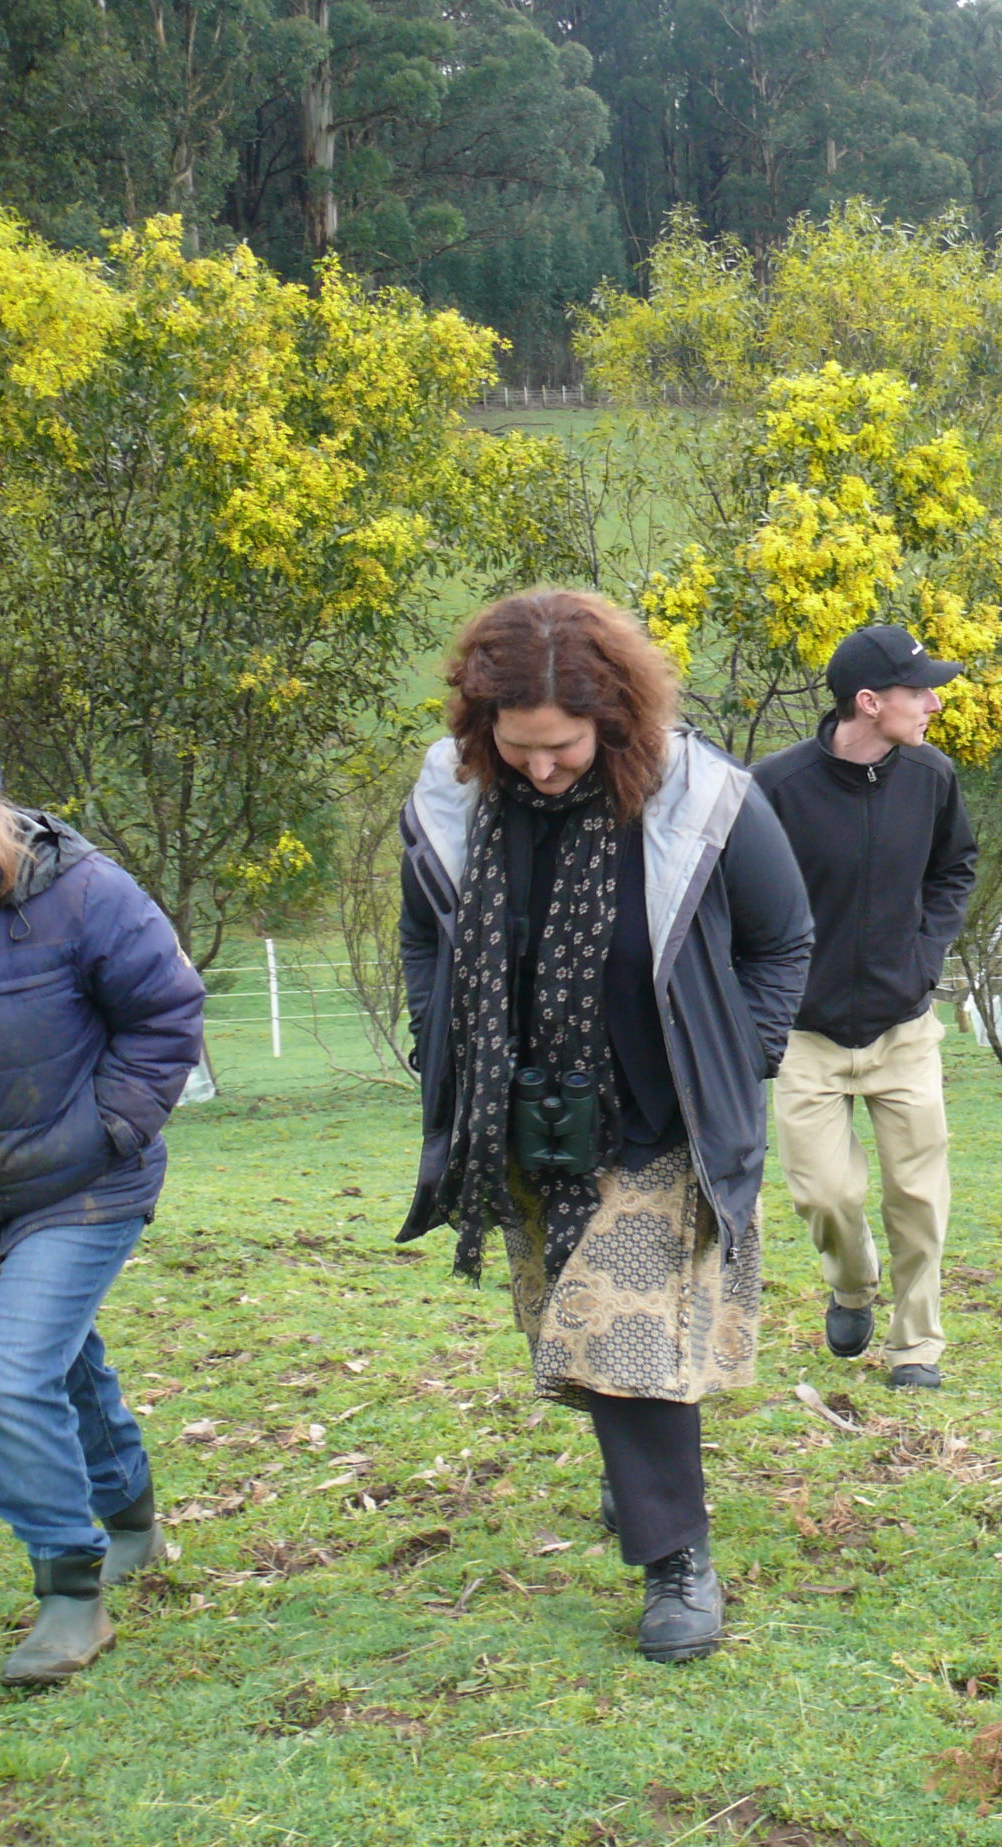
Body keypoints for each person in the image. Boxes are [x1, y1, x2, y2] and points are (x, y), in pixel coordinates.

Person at [400, 591, 813, 1663]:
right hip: (524, 1118)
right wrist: (435, 1038)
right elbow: (423, 937)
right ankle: (640, 1482)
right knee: (574, 1338)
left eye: (565, 746)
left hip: (660, 1115)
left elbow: (782, 940)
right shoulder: (452, 802)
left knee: (624, 1338)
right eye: (520, 745)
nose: (543, 767)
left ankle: (679, 1564)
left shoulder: (703, 801)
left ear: (616, 720)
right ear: (479, 725)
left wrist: (741, 1057)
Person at [0, 695, 204, 1686]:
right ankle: (132, 1519)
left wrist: (108, 1129)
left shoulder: (79, 891)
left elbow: (166, 1012)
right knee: (57, 1365)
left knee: (8, 1373)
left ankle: (70, 1593)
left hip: (84, 1183)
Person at [754, 625, 978, 1393]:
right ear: (870, 702)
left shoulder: (932, 777)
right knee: (826, 1194)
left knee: (918, 1194)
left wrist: (925, 951)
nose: (935, 703)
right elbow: (736, 897)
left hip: (903, 1027)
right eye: (920, 691)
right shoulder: (774, 788)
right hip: (804, 1035)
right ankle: (851, 1284)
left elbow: (956, 867)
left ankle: (916, 1344)